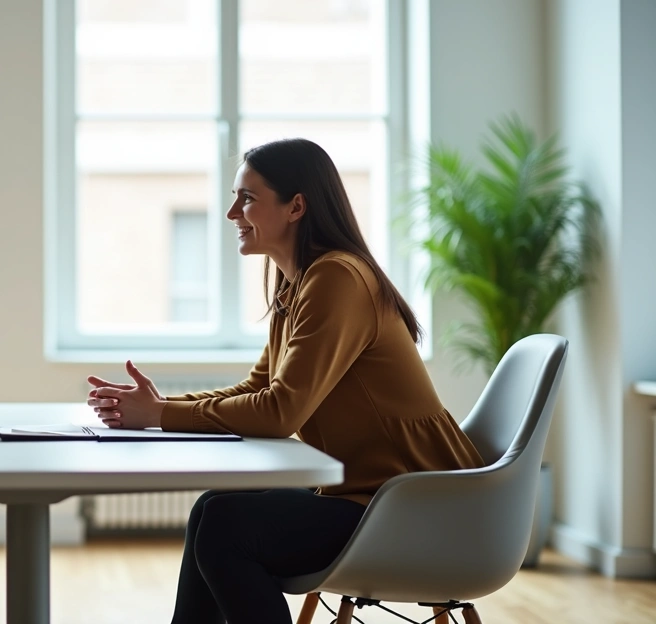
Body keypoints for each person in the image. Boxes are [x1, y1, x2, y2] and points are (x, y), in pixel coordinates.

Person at [85, 138, 484, 624]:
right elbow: (256, 391)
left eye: (247, 198)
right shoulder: (300, 285)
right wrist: (158, 406)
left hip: (416, 508)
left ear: (296, 206)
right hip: (371, 496)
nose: (232, 212)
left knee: (227, 529)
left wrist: (161, 414)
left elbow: (279, 412)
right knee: (214, 508)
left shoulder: (337, 278)